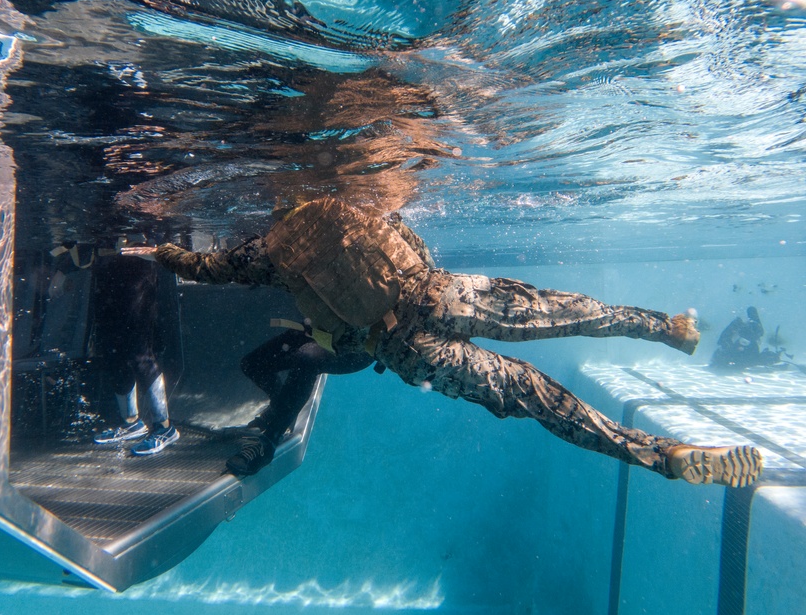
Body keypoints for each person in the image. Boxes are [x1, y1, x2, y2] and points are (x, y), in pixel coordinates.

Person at [129, 198, 763, 487]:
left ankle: (663, 454)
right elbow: (411, 238)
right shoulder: (359, 202)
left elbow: (204, 269)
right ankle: (666, 328)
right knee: (569, 313)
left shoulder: (265, 249)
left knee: (534, 394)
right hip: (443, 293)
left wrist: (165, 251)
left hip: (405, 350)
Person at [228, 328, 375, 475]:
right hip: (319, 332)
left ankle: (268, 442)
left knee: (307, 357)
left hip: (358, 348)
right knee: (252, 363)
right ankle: (278, 409)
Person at [87, 248, 180, 456]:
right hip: (106, 268)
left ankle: (164, 428)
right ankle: (131, 422)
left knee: (139, 353)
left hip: (137, 269)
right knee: (112, 352)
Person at [709, 307, 782, 372]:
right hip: (742, 354)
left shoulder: (749, 351)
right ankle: (748, 325)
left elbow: (725, 339)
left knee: (727, 342)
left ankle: (747, 325)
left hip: (744, 353)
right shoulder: (732, 349)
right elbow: (725, 339)